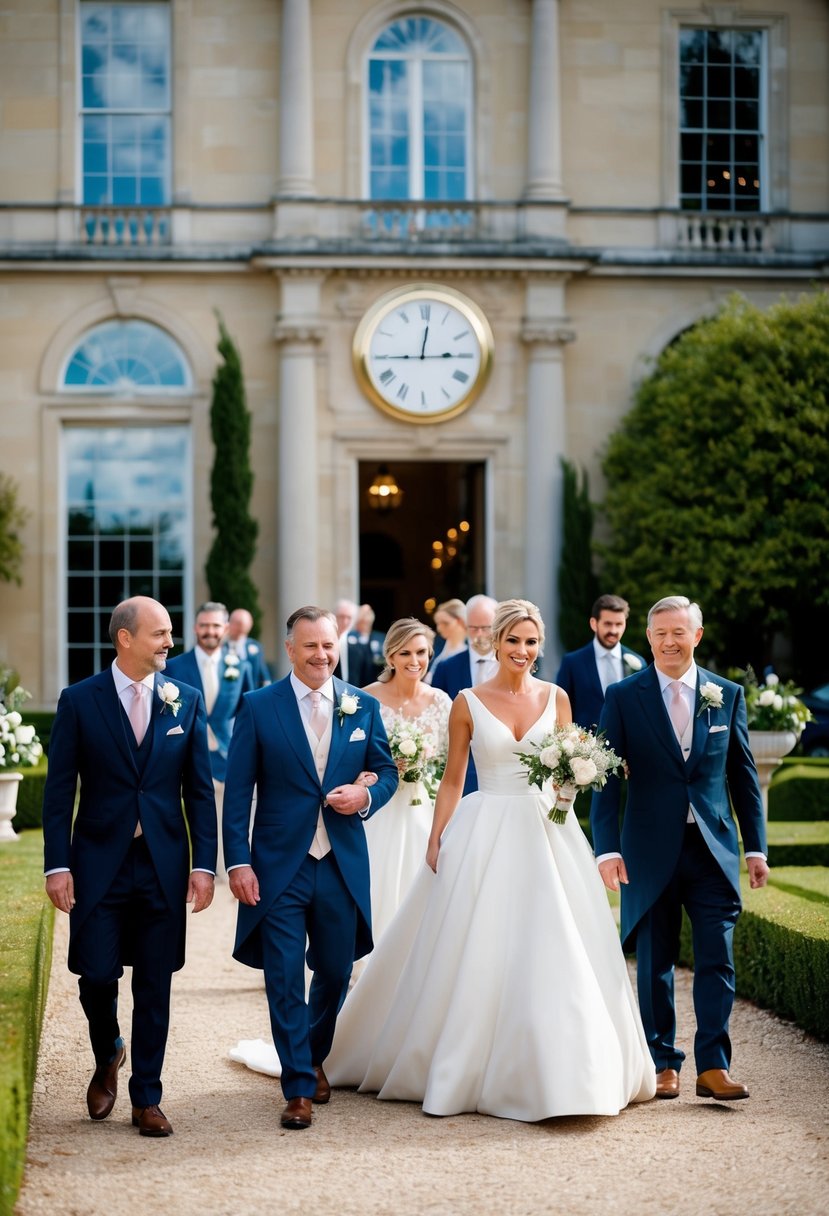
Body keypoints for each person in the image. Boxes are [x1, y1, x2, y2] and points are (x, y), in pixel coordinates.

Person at [324, 599, 656, 1121]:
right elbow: (454, 778)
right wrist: (437, 837)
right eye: (513, 641)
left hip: (551, 834)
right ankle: (467, 1064)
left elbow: (568, 770)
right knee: (479, 943)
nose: (522, 651)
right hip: (486, 828)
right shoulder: (467, 701)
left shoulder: (558, 698)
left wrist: (573, 786)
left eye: (530, 642)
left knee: (558, 941)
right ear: (496, 642)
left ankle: (571, 1069)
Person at [42, 596, 217, 1138]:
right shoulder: (79, 700)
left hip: (163, 863)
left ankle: (147, 1098)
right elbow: (57, 791)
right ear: (125, 638)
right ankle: (108, 1049)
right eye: (160, 633)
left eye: (170, 632)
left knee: (156, 982)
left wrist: (205, 865)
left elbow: (199, 792)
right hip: (98, 864)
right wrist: (57, 865)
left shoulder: (184, 700)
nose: (171, 642)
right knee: (95, 974)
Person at [222, 606, 398, 1130]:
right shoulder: (259, 706)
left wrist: (365, 794)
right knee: (283, 977)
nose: (322, 655)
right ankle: (297, 1084)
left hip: (340, 862)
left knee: (336, 971)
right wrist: (238, 860)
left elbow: (386, 770)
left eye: (329, 645)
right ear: (291, 648)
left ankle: (314, 1053)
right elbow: (238, 794)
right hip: (279, 866)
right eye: (311, 646)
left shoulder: (361, 704)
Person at [590, 595, 768, 1102]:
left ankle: (714, 1065)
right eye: (660, 633)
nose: (670, 641)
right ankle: (661, 1060)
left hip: (713, 849)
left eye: (679, 632)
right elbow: (604, 779)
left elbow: (744, 776)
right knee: (654, 961)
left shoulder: (726, 693)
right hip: (648, 849)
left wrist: (756, 847)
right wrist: (606, 850)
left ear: (698, 635)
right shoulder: (624, 696)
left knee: (718, 956)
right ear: (647, 638)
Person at [361, 619, 451, 943]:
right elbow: (351, 759)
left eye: (422, 652)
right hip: (378, 810)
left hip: (424, 811)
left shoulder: (442, 702)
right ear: (390, 657)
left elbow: (451, 767)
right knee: (376, 884)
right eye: (406, 653)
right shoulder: (366, 699)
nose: (415, 661)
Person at [165, 601, 254, 878]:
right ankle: (199, 869)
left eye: (215, 625)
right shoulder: (173, 667)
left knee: (233, 815)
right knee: (197, 815)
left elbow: (248, 713)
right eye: (204, 625)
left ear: (226, 629)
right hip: (189, 754)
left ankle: (230, 869)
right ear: (195, 628)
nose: (209, 631)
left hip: (230, 755)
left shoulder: (241, 666)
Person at [431, 594, 498, 793]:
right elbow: (437, 716)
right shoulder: (447, 667)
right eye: (473, 628)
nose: (479, 634)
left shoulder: (512, 666)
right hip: (462, 765)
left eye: (486, 627)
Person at [556, 594, 647, 731]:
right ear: (594, 623)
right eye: (608, 624)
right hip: (584, 747)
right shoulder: (572, 662)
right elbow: (560, 709)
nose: (613, 630)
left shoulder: (639, 663)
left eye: (619, 624)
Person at [333, 597, 375, 687]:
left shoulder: (361, 641)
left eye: (349, 617)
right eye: (341, 616)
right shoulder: (326, 640)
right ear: (334, 616)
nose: (345, 621)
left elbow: (368, 672)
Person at [424, 597, 467, 684]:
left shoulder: (471, 646)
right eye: (438, 624)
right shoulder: (437, 644)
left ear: (460, 621)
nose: (439, 628)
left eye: (445, 623)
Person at [227, 607, 272, 687]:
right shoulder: (222, 646)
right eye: (237, 623)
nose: (239, 628)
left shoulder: (255, 646)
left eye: (243, 624)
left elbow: (262, 671)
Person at [349, 603, 386, 676]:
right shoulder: (349, 637)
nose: (365, 619)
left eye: (368, 615)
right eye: (363, 617)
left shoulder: (380, 638)